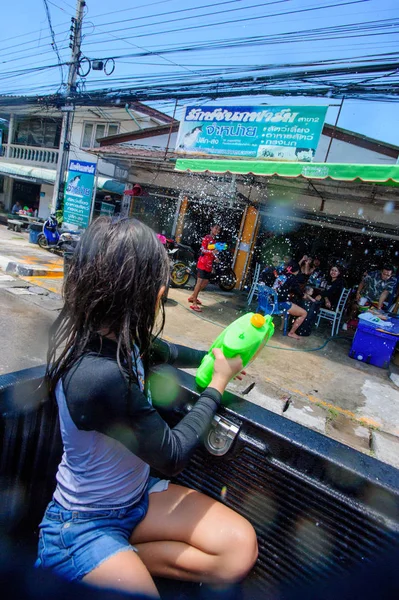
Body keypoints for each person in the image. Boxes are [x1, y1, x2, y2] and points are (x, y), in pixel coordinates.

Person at [36, 217, 257, 598]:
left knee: (238, 550)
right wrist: (216, 385)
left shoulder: (123, 340)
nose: (162, 289)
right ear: (142, 293)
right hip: (83, 525)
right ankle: (94, 562)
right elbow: (171, 455)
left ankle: (125, 558)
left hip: (137, 499)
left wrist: (216, 359)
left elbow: (169, 351)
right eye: (159, 281)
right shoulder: (96, 375)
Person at [188, 223, 221, 312]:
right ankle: (194, 303)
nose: (217, 231)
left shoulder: (214, 241)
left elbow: (212, 252)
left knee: (205, 282)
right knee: (199, 282)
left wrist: (215, 258)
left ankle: (192, 297)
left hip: (209, 265)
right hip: (202, 263)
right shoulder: (206, 238)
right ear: (211, 228)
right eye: (215, 229)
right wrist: (211, 252)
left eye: (218, 230)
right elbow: (202, 249)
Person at [273, 261, 308, 340]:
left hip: (272, 301)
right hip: (280, 304)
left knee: (289, 303)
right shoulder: (292, 278)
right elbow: (298, 291)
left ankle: (282, 327)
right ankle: (291, 333)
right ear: (296, 271)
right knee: (304, 313)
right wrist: (303, 295)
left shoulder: (281, 274)